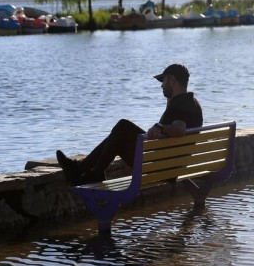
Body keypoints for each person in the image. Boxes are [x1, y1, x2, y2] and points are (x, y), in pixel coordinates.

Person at [56, 63, 203, 185]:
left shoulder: (179, 104)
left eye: (163, 81)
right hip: (173, 167)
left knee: (122, 126)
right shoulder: (193, 103)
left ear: (172, 80)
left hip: (161, 169)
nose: (161, 86)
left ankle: (85, 170)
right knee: (118, 136)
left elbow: (180, 129)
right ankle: (86, 170)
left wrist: (160, 127)